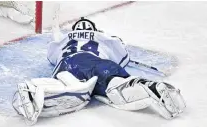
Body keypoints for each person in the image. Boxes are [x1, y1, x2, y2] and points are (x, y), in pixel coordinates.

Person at [12, 17, 186, 125]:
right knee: (116, 84)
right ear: (94, 30)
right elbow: (122, 58)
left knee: (70, 86)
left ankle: (36, 91)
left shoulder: (62, 40)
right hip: (94, 62)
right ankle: (149, 88)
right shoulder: (104, 37)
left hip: (65, 65)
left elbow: (51, 57)